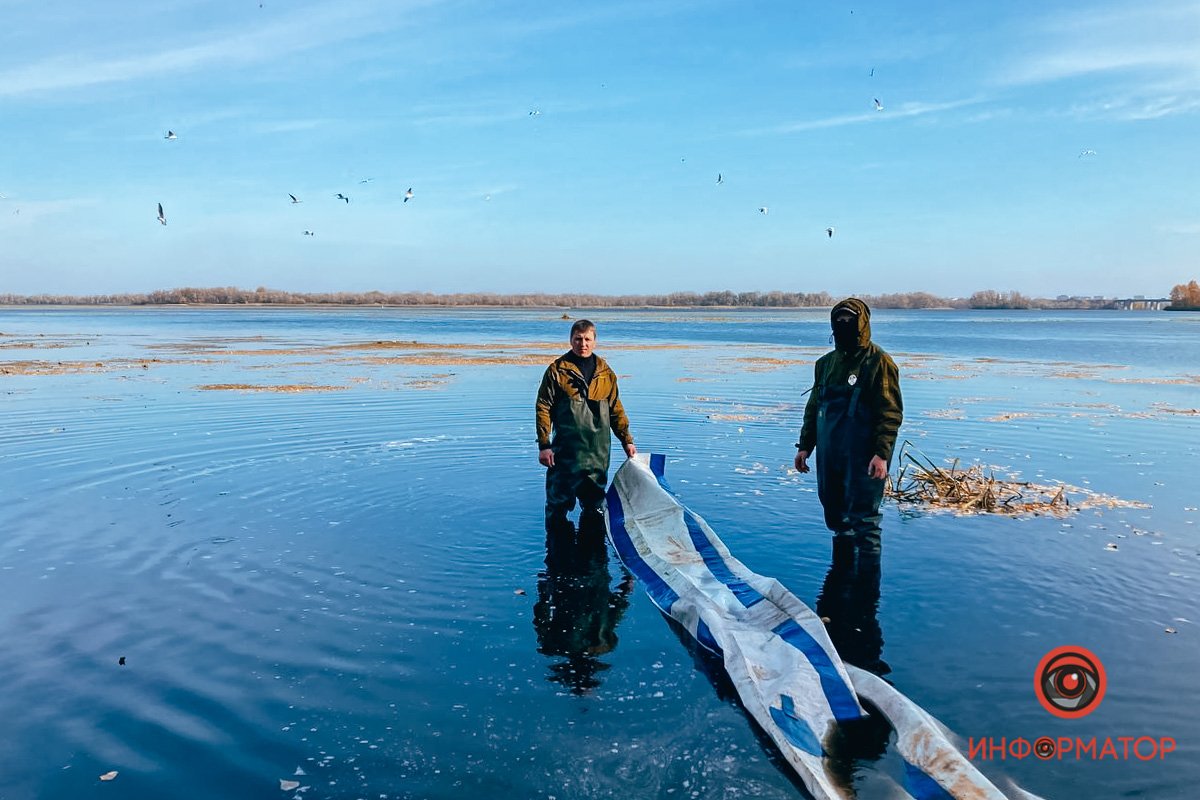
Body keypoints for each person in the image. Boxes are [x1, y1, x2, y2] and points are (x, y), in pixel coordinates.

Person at [794, 298, 902, 557]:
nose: (844, 324)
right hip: (830, 453)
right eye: (839, 319)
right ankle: (839, 576)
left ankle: (867, 581)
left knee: (865, 521)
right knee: (835, 517)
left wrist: (882, 454)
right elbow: (814, 407)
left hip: (864, 455)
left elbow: (890, 413)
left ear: (862, 323)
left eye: (850, 320)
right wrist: (805, 446)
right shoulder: (825, 364)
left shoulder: (879, 362)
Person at [536, 319, 636, 530]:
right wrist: (544, 445)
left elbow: (616, 409)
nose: (583, 344)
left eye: (587, 339)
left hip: (597, 455)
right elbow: (543, 407)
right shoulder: (557, 371)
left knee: (595, 510)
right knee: (557, 509)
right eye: (578, 339)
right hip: (564, 454)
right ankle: (556, 550)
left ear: (594, 341)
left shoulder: (606, 374)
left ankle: (593, 550)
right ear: (571, 340)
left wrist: (626, 440)